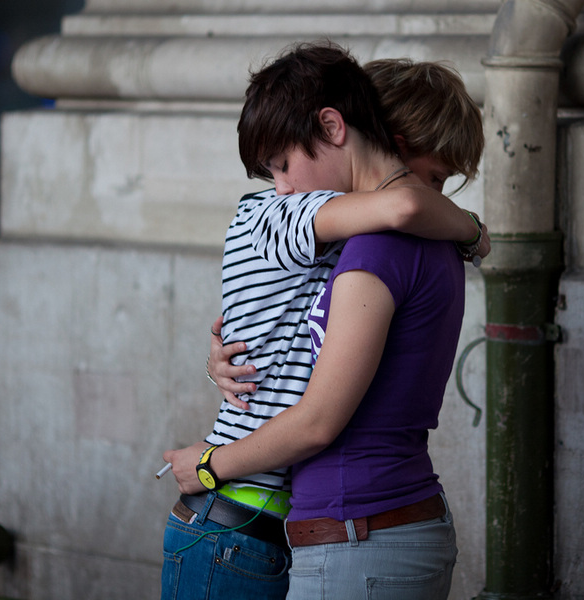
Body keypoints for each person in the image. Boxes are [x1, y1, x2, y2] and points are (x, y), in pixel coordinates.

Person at [160, 42, 486, 600]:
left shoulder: (365, 241)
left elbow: (402, 208)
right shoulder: (282, 213)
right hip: (239, 517)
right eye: (431, 177)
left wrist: (211, 462)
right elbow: (403, 205)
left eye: (285, 165)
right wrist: (474, 233)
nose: (280, 183)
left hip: (298, 517)